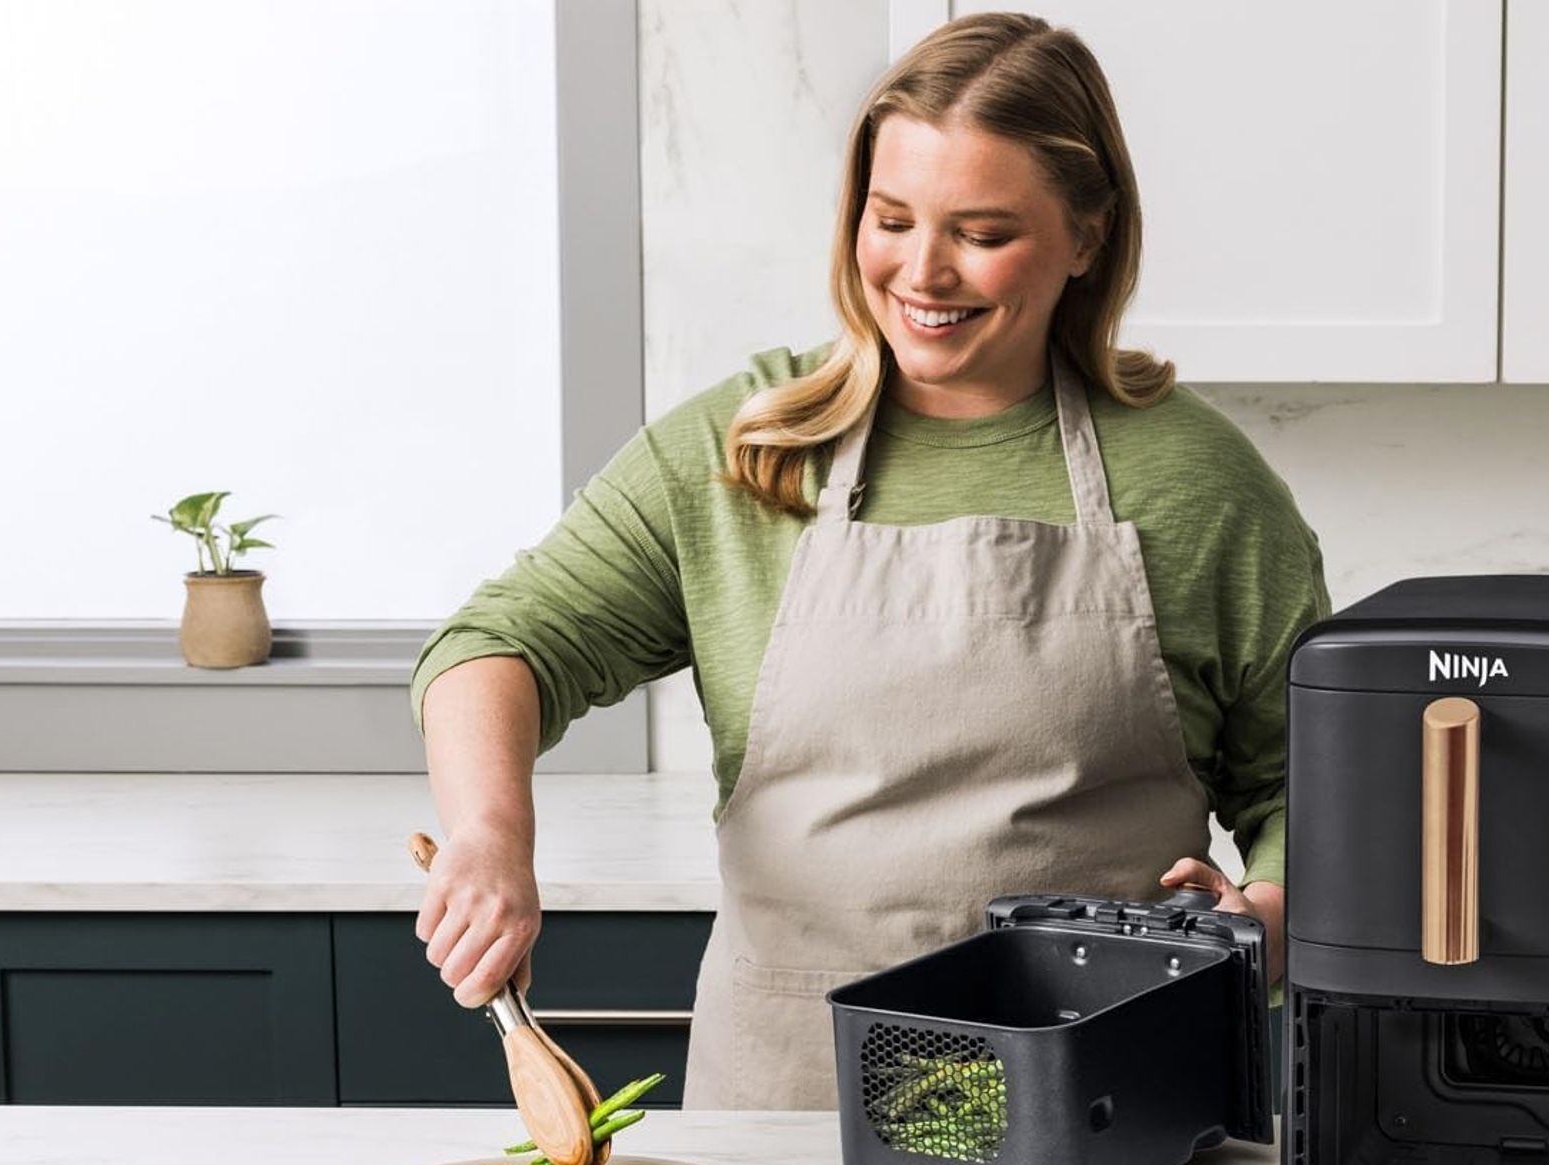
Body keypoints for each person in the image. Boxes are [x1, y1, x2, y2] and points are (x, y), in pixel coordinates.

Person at [410, 12, 1329, 1109]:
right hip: (791, 1103)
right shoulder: (749, 451)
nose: (921, 271)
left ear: (1087, 237)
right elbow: (500, 644)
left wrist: (1267, 919)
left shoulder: (1195, 481)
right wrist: (490, 837)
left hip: (1108, 1101)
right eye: (890, 220)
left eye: (981, 233)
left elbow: (1315, 786)